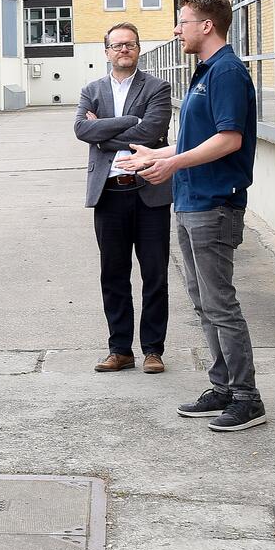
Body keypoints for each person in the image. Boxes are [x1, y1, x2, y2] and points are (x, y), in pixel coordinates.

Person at [124, 0, 263, 432]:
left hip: (214, 205)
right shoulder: (205, 72)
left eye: (182, 21)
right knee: (204, 304)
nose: (177, 29)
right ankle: (222, 387)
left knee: (221, 305)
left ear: (207, 26)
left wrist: (170, 162)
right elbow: (196, 142)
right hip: (189, 202)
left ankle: (247, 397)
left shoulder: (226, 73)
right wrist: (156, 154)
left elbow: (229, 140)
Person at [74, 23, 173, 375]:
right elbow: (81, 130)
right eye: (116, 45)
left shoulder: (158, 88)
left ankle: (152, 350)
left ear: (138, 49)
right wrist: (129, 121)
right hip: (109, 194)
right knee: (113, 274)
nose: (123, 50)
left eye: (129, 44)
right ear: (106, 52)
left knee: (154, 274)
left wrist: (105, 132)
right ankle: (120, 350)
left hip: (149, 192)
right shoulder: (91, 90)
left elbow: (152, 131)